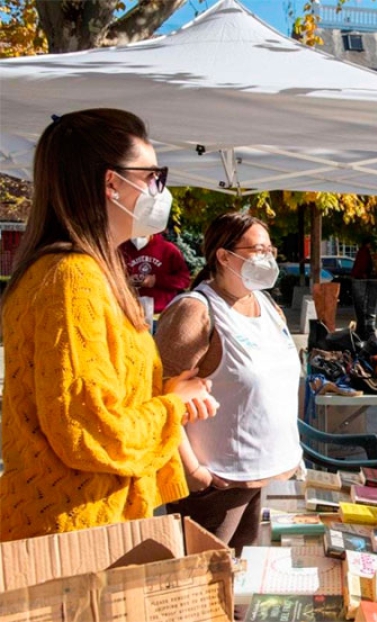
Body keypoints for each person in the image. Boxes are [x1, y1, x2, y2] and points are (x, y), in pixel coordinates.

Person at [0, 109, 217, 542]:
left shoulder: (87, 270)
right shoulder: (72, 277)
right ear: (111, 183)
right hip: (75, 533)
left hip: (90, 520)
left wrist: (169, 394)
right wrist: (172, 405)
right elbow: (88, 430)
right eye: (154, 176)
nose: (161, 190)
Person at [155, 212, 304, 554]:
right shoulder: (195, 310)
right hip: (216, 486)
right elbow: (159, 397)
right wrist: (193, 473)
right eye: (257, 250)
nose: (268, 258)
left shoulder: (265, 304)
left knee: (241, 588)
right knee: (202, 589)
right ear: (224, 256)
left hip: (263, 476)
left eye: (271, 250)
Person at [120, 232, 192, 313]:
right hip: (128, 312)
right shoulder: (122, 249)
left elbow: (184, 280)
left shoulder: (168, 249)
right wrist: (125, 282)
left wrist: (155, 280)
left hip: (161, 313)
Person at [350, 238, 377, 337]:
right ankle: (365, 327)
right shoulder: (364, 252)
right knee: (363, 304)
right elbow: (362, 264)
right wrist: (364, 273)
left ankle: (365, 327)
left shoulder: (363, 251)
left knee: (364, 305)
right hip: (361, 278)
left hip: (361, 277)